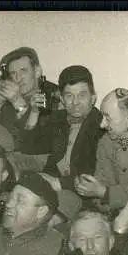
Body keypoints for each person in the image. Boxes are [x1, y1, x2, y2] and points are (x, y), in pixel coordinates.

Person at [0, 47, 65, 171]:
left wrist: (18, 102)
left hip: (38, 164)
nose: (18, 78)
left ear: (37, 71)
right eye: (13, 73)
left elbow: (37, 145)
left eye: (23, 70)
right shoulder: (9, 99)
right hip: (5, 164)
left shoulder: (54, 98)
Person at [40, 65, 104, 193]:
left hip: (81, 194)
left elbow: (96, 175)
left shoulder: (102, 127)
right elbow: (34, 150)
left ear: (93, 98)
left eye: (82, 95)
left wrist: (60, 183)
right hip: (53, 186)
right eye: (69, 96)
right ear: (62, 100)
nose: (75, 102)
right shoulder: (56, 120)